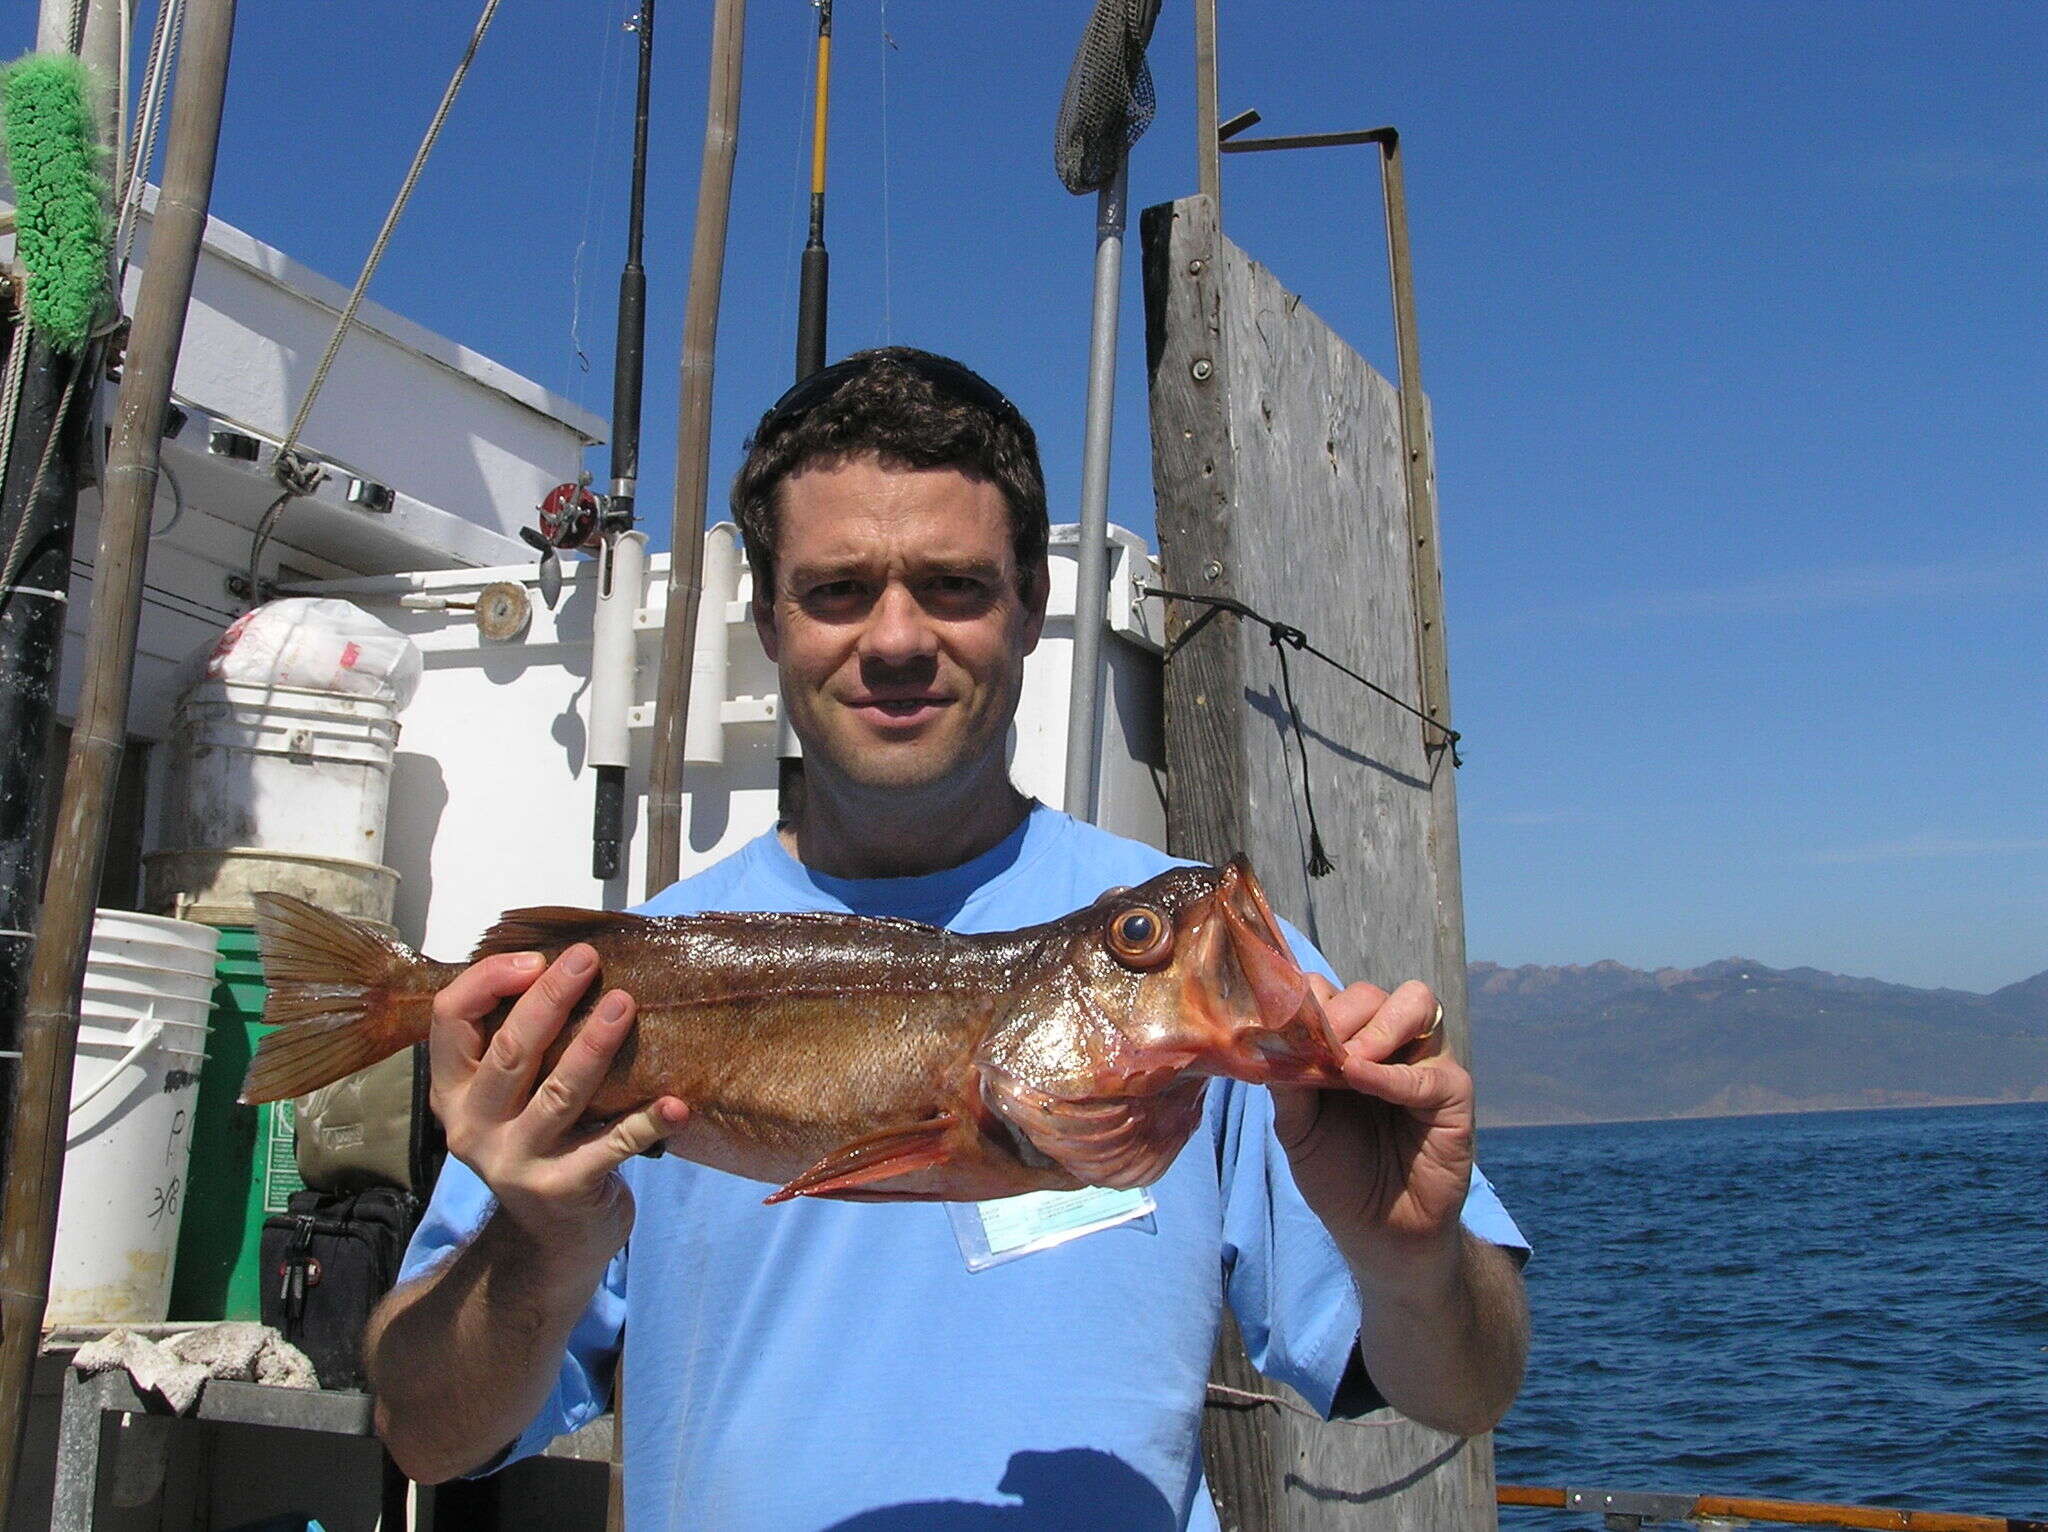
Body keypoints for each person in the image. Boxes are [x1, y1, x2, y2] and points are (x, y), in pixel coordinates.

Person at [363, 347, 1530, 1530]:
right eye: (835, 590)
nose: (897, 638)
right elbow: (427, 1431)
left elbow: (1466, 1388)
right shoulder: (629, 985)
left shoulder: (1196, 972)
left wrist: (1411, 1256)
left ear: (1030, 606)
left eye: (955, 585)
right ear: (766, 620)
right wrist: (540, 1247)